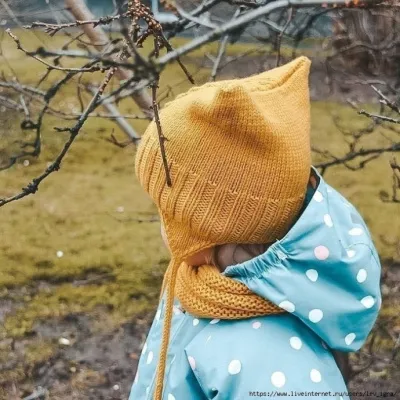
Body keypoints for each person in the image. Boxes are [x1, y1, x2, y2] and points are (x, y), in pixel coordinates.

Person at [129, 56, 382, 400]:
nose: (162, 224)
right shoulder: (201, 284)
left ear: (210, 226)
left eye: (168, 212)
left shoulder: (273, 363)